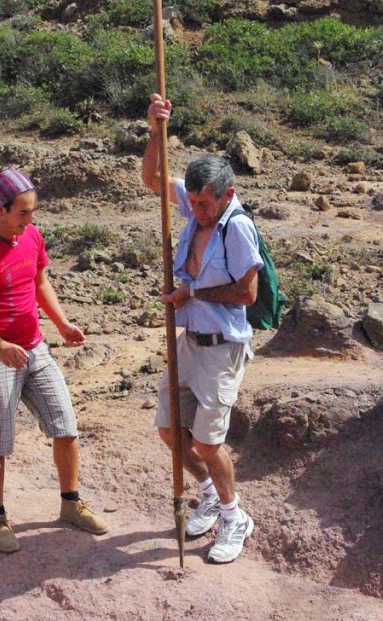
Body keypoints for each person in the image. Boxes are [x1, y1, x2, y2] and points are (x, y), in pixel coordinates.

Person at [0, 168, 108, 554]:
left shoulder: (32, 237)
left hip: (34, 348)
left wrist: (63, 324)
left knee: (65, 426)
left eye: (32, 211)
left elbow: (39, 283)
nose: (30, 219)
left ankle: (70, 504)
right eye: (23, 212)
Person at [142, 94, 263, 563]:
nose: (197, 211)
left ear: (227, 196)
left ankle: (235, 517)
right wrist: (156, 132)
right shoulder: (194, 208)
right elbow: (152, 178)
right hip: (189, 343)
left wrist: (191, 294)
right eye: (192, 202)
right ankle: (211, 493)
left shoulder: (237, 228)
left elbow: (247, 295)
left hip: (222, 349)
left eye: (205, 203)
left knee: (207, 442)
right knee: (171, 431)